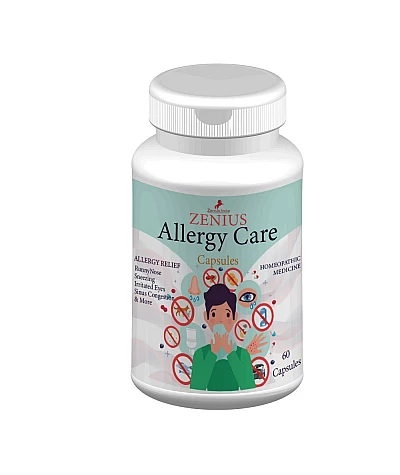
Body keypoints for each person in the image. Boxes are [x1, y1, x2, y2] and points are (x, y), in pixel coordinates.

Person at [190, 283, 256, 391]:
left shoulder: (242, 355)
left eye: (227, 314)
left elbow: (248, 387)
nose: (220, 320)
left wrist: (231, 353)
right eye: (214, 314)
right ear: (206, 317)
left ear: (235, 317)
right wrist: (212, 353)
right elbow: (196, 387)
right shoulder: (200, 354)